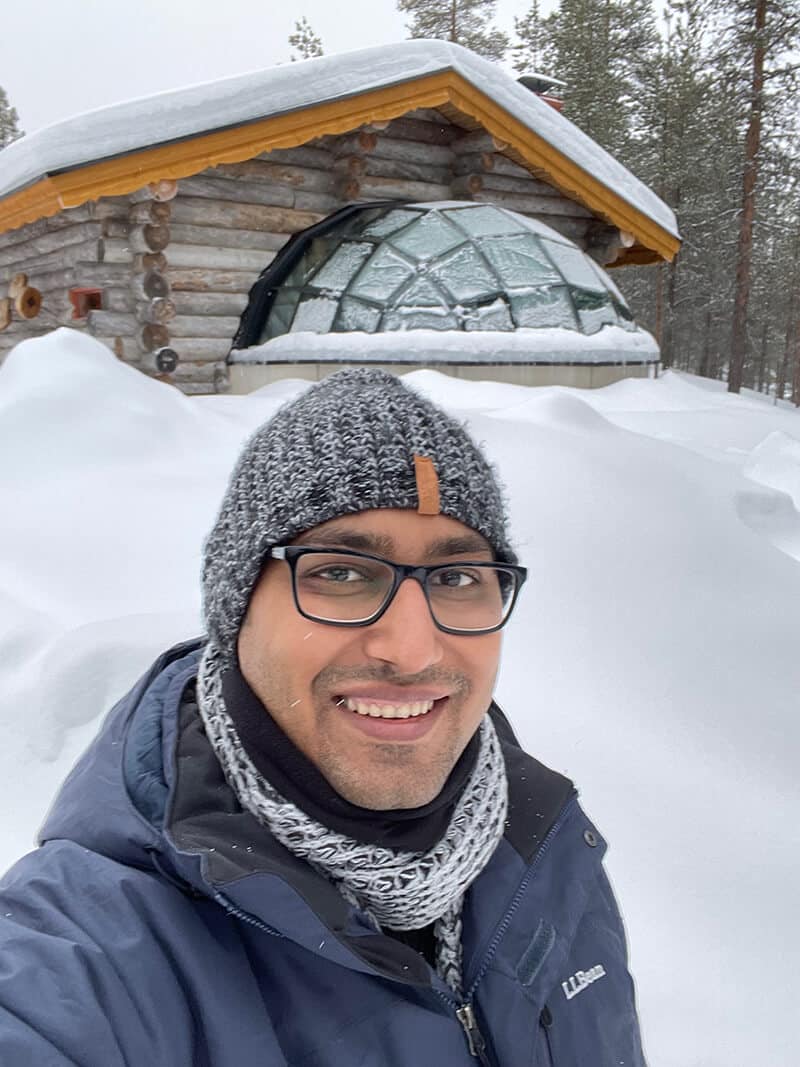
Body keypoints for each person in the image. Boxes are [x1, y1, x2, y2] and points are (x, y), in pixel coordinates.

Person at [0, 368, 646, 1066]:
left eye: (457, 577)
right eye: (340, 572)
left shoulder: (548, 859)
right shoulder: (90, 958)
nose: (410, 648)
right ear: (237, 612)